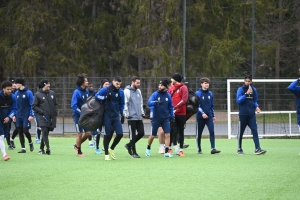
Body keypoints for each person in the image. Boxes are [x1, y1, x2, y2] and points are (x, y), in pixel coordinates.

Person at [95, 76, 125, 161]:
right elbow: (97, 96)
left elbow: (122, 104)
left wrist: (122, 115)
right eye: (117, 83)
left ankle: (111, 149)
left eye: (119, 84)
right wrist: (104, 97)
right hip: (107, 115)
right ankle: (106, 155)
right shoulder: (106, 89)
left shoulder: (121, 92)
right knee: (107, 135)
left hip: (116, 116)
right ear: (113, 82)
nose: (118, 85)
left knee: (120, 134)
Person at [236, 75, 267, 155]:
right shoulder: (240, 89)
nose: (247, 82)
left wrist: (256, 107)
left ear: (251, 81)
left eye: (249, 81)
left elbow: (255, 100)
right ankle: (239, 149)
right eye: (246, 81)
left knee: (255, 131)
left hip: (251, 115)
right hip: (243, 115)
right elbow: (239, 101)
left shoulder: (254, 90)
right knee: (241, 132)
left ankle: (258, 149)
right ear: (244, 81)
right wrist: (246, 94)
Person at [146, 80, 175, 158]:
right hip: (156, 118)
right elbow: (149, 103)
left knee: (167, 134)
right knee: (153, 135)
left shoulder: (168, 95)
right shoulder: (155, 94)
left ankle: (166, 152)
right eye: (159, 85)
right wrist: (156, 102)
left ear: (165, 87)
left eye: (161, 85)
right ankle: (148, 148)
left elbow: (170, 107)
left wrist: (172, 116)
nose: (159, 87)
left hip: (165, 118)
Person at [195, 77, 221, 154]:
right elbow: (197, 106)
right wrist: (202, 113)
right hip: (200, 117)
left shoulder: (210, 94)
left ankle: (213, 148)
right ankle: (199, 149)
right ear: (201, 84)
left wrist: (213, 115)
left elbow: (211, 105)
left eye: (208, 83)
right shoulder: (198, 93)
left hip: (209, 116)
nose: (207, 85)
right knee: (199, 133)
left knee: (212, 131)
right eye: (205, 83)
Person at [33, 79, 58, 155]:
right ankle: (48, 148)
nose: (49, 85)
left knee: (46, 133)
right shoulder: (38, 94)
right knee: (44, 132)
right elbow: (34, 106)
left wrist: (55, 112)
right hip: (43, 117)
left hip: (52, 117)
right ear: (44, 85)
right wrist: (42, 112)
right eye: (48, 84)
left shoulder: (52, 93)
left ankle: (41, 149)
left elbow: (55, 104)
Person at [123, 76, 145, 158]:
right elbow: (125, 103)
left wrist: (142, 112)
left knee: (141, 133)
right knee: (132, 135)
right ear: (132, 82)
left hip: (138, 117)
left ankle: (129, 145)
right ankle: (134, 152)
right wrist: (126, 114)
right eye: (137, 83)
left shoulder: (138, 91)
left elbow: (141, 103)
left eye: (139, 83)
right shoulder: (127, 91)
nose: (139, 84)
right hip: (131, 117)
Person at [71, 73, 91, 157]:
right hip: (77, 116)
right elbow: (73, 105)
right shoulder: (76, 92)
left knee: (88, 133)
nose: (87, 82)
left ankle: (76, 146)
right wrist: (81, 112)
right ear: (81, 82)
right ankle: (79, 151)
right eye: (86, 81)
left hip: (85, 116)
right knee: (79, 133)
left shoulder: (86, 91)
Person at [12, 78, 34, 153]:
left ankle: (30, 142)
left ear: (20, 84)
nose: (15, 85)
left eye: (16, 83)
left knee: (25, 130)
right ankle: (23, 148)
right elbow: (14, 105)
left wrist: (31, 115)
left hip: (26, 115)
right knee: (20, 131)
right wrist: (14, 115)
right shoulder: (16, 93)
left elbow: (32, 104)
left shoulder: (28, 93)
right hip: (18, 115)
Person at [168, 73, 188, 156]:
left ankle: (181, 149)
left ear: (175, 79)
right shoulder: (171, 88)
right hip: (172, 113)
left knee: (181, 131)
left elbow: (184, 100)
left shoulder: (184, 88)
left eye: (172, 79)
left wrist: (176, 107)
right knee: (172, 130)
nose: (171, 80)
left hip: (181, 113)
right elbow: (168, 99)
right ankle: (169, 148)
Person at [94, 79, 113, 154]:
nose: (107, 85)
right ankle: (96, 148)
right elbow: (96, 98)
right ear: (102, 85)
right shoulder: (99, 92)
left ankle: (104, 146)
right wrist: (105, 98)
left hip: (107, 115)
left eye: (108, 84)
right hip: (99, 114)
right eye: (106, 84)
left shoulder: (110, 92)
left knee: (109, 130)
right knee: (98, 131)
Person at [0, 81, 17, 161]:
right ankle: (5, 154)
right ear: (3, 89)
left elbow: (14, 109)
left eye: (11, 89)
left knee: (4, 137)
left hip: (7, 120)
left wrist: (9, 117)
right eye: (8, 89)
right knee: (1, 136)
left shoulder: (13, 97)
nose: (10, 91)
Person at [7, 78, 18, 149]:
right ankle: (9, 144)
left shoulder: (18, 92)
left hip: (15, 112)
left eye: (14, 83)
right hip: (8, 113)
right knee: (7, 128)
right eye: (12, 83)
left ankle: (12, 139)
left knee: (19, 127)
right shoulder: (6, 93)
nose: (14, 84)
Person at [87, 83, 97, 148]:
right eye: (89, 86)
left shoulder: (95, 92)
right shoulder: (86, 92)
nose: (91, 87)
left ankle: (95, 140)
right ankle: (90, 142)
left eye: (92, 86)